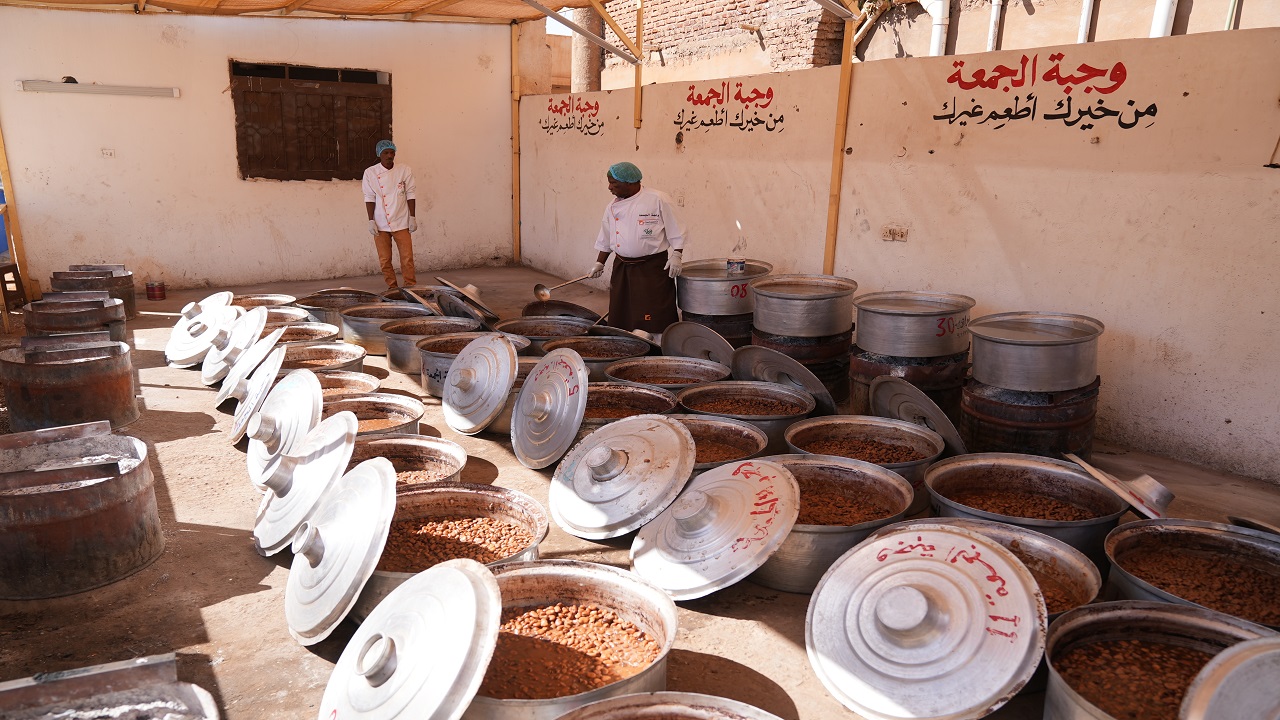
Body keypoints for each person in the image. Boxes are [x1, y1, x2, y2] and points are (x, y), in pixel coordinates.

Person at [588, 162, 686, 336]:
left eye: (614, 184)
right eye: (609, 182)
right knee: (622, 309)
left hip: (652, 267)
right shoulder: (611, 206)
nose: (609, 187)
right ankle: (627, 342)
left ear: (631, 183)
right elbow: (606, 236)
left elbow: (676, 229)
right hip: (622, 267)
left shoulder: (658, 199)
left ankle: (658, 345)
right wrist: (599, 262)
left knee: (654, 310)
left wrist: (677, 254)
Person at [362, 140, 417, 289]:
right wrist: (371, 220)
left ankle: (410, 287)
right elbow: (369, 197)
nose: (389, 156)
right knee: (385, 260)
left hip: (401, 221)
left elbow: (410, 193)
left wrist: (412, 217)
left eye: (392, 152)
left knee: (407, 258)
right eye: (385, 153)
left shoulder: (404, 170)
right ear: (379, 154)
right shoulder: (370, 173)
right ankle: (392, 288)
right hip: (380, 223)